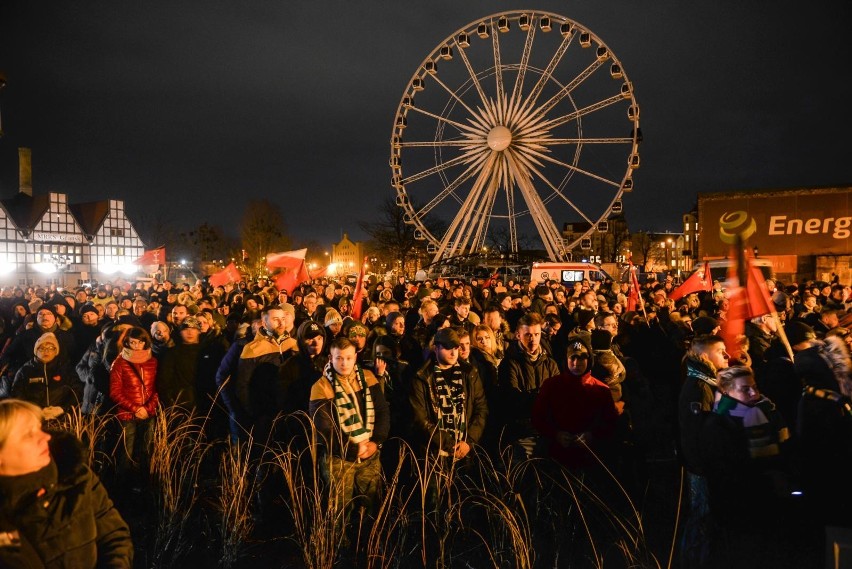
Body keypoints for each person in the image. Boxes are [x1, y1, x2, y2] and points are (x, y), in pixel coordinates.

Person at [0, 399, 133, 568]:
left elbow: (113, 535)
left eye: (39, 428)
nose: (46, 437)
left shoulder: (75, 475)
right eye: (28, 434)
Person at [309, 338, 390, 529]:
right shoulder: (320, 387)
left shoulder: (368, 378)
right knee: (339, 509)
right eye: (339, 358)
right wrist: (352, 449)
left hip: (369, 454)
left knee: (369, 504)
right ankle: (338, 551)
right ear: (330, 358)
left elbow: (382, 411)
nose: (344, 363)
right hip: (339, 459)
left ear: (356, 357)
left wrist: (376, 442)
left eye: (348, 358)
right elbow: (325, 430)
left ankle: (366, 544)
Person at [532, 337, 618, 470]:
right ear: (566, 360)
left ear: (589, 360)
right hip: (556, 454)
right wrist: (556, 434)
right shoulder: (551, 386)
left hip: (590, 457)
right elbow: (538, 418)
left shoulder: (601, 390)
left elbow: (611, 423)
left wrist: (592, 435)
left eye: (582, 357)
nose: (576, 363)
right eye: (572, 357)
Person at [409, 328, 488, 461]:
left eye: (456, 348)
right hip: (434, 454)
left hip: (465, 452)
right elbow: (419, 419)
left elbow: (481, 408)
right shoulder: (422, 377)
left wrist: (468, 442)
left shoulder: (470, 373)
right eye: (447, 347)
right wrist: (449, 444)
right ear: (436, 348)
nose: (453, 353)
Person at [109, 326, 158, 488]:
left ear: (145, 342)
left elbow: (156, 388)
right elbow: (115, 392)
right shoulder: (120, 362)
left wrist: (148, 408)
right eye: (132, 342)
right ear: (126, 343)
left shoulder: (152, 361)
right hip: (127, 415)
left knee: (146, 451)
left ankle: (145, 485)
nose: (136, 346)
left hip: (148, 414)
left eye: (140, 342)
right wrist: (135, 408)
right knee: (126, 453)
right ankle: (123, 487)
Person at [10, 333, 84, 420]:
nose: (46, 351)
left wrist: (62, 408)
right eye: (42, 348)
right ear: (36, 351)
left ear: (56, 351)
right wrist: (33, 411)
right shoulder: (25, 371)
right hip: (34, 419)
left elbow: (77, 391)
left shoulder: (65, 369)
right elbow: (16, 396)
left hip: (61, 419)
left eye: (51, 348)